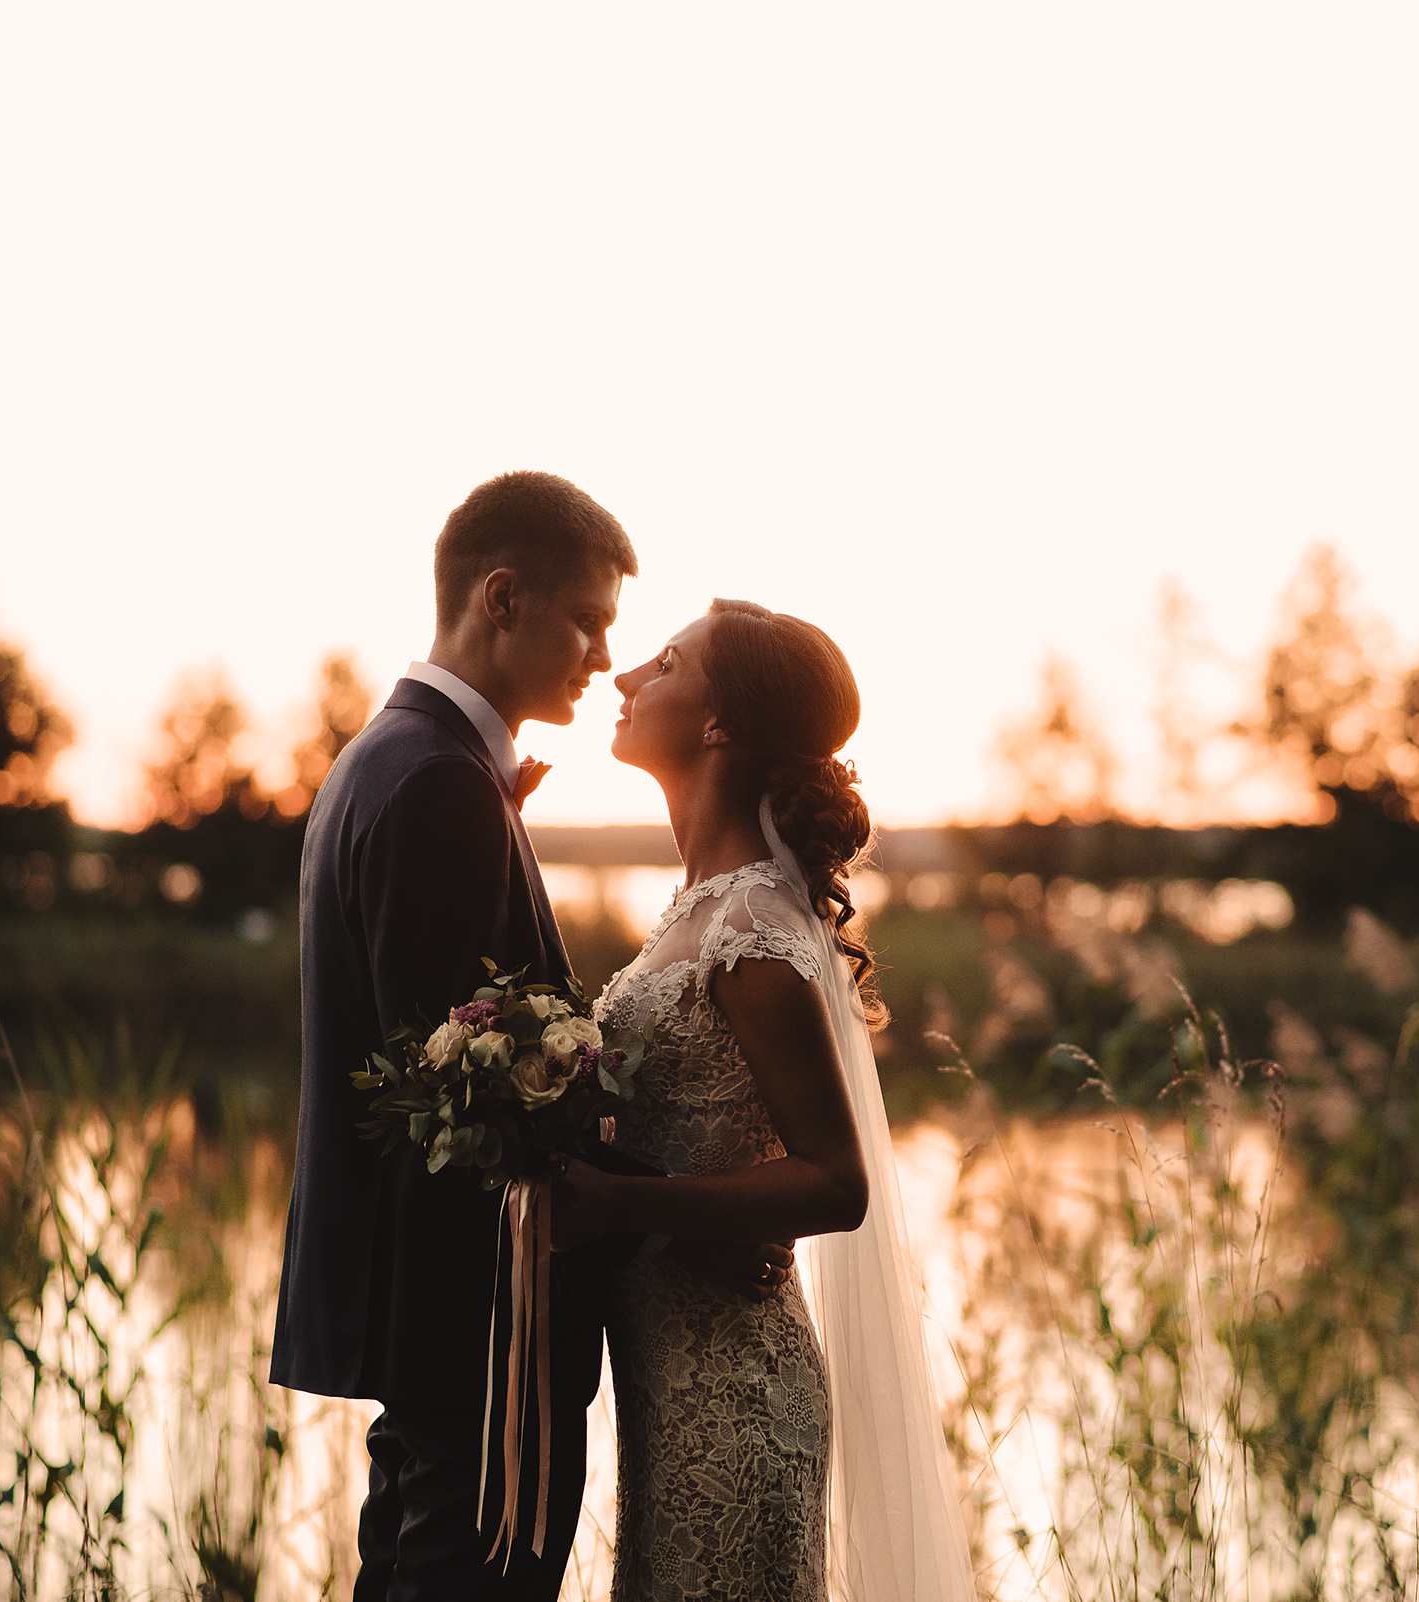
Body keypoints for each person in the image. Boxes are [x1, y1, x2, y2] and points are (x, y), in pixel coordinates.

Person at [269, 473, 787, 1601]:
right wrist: (680, 1219)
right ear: (502, 597)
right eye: (589, 619)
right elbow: (477, 1106)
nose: (605, 655)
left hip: (433, 1328)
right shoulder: (438, 787)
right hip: (481, 1330)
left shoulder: (386, 762)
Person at [556, 599, 973, 1602]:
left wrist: (624, 1205)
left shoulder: (753, 929)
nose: (624, 678)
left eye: (665, 663)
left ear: (719, 726)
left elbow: (837, 1183)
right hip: (672, 1382)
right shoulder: (695, 910)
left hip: (737, 1394)